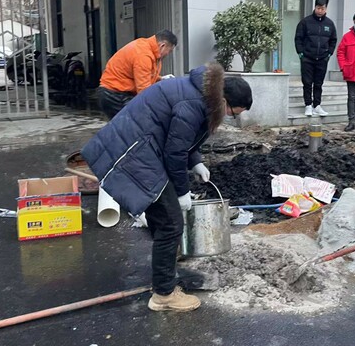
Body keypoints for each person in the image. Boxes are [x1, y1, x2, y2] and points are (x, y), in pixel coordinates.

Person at [82, 63, 253, 312]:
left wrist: (196, 163)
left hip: (143, 148)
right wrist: (183, 192)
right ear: (224, 99)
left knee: (165, 220)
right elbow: (174, 153)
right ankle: (164, 294)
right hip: (135, 154)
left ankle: (166, 263)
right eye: (232, 112)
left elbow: (180, 138)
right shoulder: (194, 104)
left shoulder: (200, 93)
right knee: (172, 222)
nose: (230, 116)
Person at [98, 30, 178, 119]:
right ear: (162, 45)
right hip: (114, 95)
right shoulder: (144, 55)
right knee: (137, 123)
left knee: (129, 126)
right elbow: (143, 91)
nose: (168, 54)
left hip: (116, 93)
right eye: (169, 51)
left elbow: (145, 75)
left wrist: (161, 79)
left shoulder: (149, 49)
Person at [295, 0, 337, 117]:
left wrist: (329, 53)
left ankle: (317, 105)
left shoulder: (329, 24)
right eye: (318, 8)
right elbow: (298, 39)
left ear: (326, 9)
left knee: (318, 83)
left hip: (322, 59)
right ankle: (308, 105)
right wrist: (301, 53)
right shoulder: (305, 22)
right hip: (307, 58)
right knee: (307, 83)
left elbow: (333, 40)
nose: (320, 10)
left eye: (322, 8)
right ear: (315, 7)